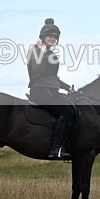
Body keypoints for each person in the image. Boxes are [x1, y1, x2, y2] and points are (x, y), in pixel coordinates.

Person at [27, 18, 75, 159]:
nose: (52, 38)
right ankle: (55, 149)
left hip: (51, 89)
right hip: (41, 90)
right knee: (69, 113)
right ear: (43, 37)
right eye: (50, 36)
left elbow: (52, 78)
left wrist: (67, 88)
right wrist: (41, 53)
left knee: (71, 107)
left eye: (55, 37)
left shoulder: (51, 54)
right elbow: (37, 73)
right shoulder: (36, 51)